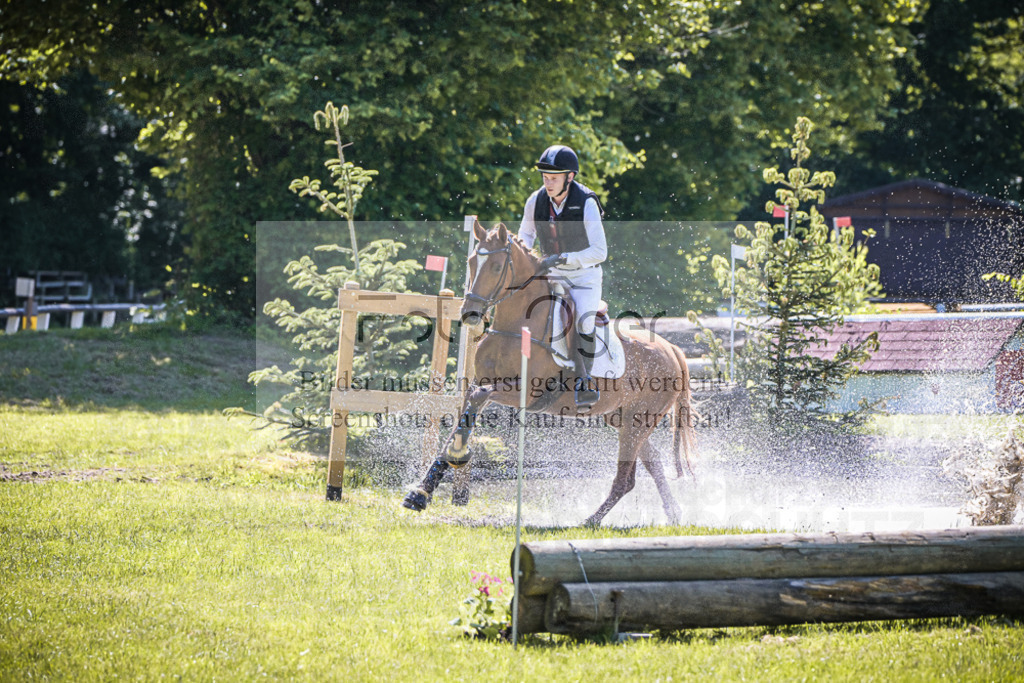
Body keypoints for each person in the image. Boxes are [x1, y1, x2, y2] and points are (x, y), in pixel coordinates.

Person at [518, 144, 607, 410]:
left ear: (570, 177)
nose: (548, 183)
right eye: (545, 177)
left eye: (554, 178)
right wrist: (527, 260)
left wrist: (565, 258)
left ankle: (584, 381)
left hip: (583, 277)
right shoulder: (535, 201)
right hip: (550, 274)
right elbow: (525, 236)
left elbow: (600, 251)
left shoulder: (587, 202)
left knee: (583, 321)